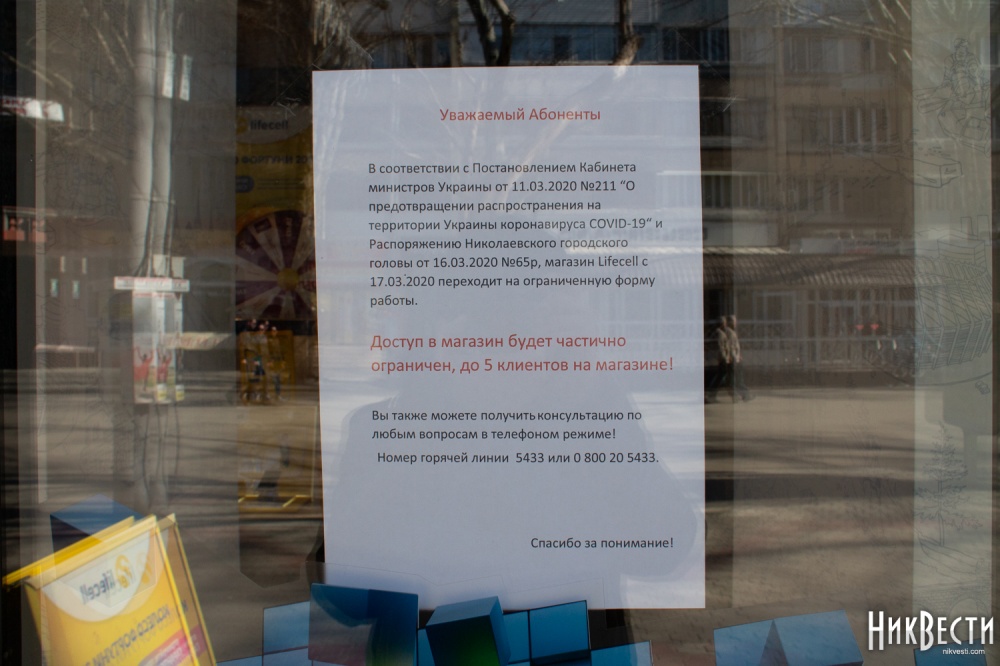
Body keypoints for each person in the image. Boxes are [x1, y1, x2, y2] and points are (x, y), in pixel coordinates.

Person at [725, 315, 752, 402]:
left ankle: (739, 395)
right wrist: (735, 357)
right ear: (730, 322)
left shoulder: (730, 332)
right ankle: (745, 395)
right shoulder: (730, 333)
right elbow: (731, 347)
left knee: (733, 379)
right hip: (734, 359)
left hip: (734, 358)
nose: (735, 323)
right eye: (734, 321)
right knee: (738, 379)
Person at [705, 317, 731, 403]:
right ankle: (711, 395)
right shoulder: (720, 334)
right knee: (719, 377)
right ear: (722, 324)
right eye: (725, 323)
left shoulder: (720, 333)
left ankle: (712, 395)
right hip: (722, 359)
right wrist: (724, 358)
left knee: (720, 377)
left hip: (722, 358)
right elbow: (721, 347)